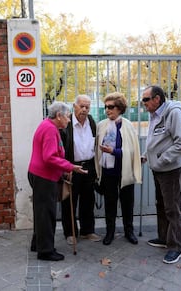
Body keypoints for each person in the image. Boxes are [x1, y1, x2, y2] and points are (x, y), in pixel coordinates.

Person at [28, 101, 87, 261]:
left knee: (41, 212)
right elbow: (49, 157)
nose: (69, 120)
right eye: (67, 117)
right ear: (59, 116)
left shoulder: (49, 126)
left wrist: (63, 169)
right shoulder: (49, 129)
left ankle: (38, 244)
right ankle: (46, 250)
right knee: (46, 214)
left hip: (42, 175)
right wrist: (70, 167)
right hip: (44, 177)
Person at [141, 85, 181, 264]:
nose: (143, 103)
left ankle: (176, 247)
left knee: (172, 208)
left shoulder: (173, 113)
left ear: (157, 99)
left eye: (146, 99)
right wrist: (147, 156)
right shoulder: (154, 114)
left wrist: (160, 160)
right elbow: (157, 140)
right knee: (161, 205)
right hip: (158, 169)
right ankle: (164, 238)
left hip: (170, 170)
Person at [94, 92, 142, 246]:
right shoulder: (101, 125)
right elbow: (96, 149)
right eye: (105, 107)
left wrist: (113, 151)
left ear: (120, 108)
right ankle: (110, 232)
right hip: (108, 172)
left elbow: (132, 151)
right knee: (110, 203)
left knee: (128, 203)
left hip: (124, 170)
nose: (107, 110)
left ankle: (129, 231)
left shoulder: (128, 126)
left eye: (111, 107)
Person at [60, 95, 101, 246]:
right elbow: (61, 147)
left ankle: (87, 230)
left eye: (87, 107)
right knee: (70, 201)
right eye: (81, 106)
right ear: (74, 106)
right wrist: (65, 167)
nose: (84, 109)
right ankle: (70, 232)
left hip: (88, 166)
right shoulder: (67, 123)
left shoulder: (91, 121)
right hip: (72, 166)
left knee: (88, 200)